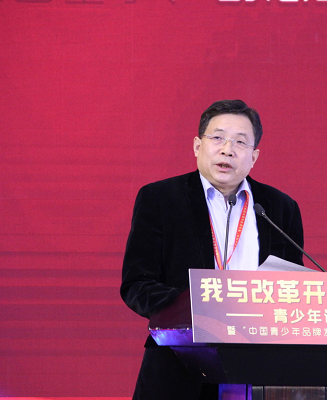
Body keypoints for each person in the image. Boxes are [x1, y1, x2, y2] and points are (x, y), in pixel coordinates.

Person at [120, 99, 305, 400]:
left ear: (254, 156)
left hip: (260, 368)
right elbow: (137, 285)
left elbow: (292, 288)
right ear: (197, 146)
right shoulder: (160, 199)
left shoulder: (279, 208)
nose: (227, 149)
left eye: (240, 142)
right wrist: (197, 310)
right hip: (180, 365)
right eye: (217, 137)